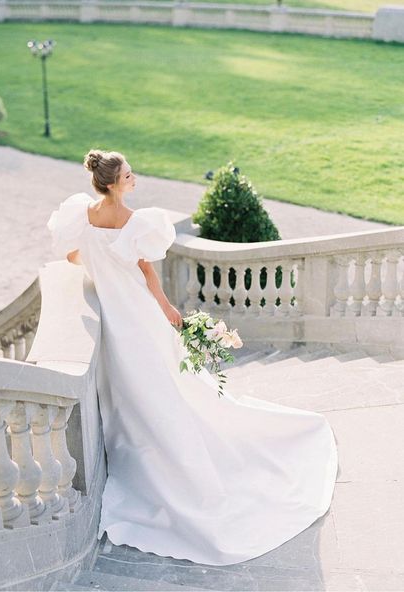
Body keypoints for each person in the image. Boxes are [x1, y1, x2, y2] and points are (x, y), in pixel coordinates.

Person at [47, 148, 338, 566]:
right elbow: (148, 273)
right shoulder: (134, 222)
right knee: (158, 384)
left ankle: (152, 459)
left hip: (116, 319)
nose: (134, 178)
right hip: (138, 316)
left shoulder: (83, 216)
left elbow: (74, 256)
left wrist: (95, 263)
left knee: (138, 390)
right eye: (128, 174)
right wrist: (167, 309)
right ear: (113, 183)